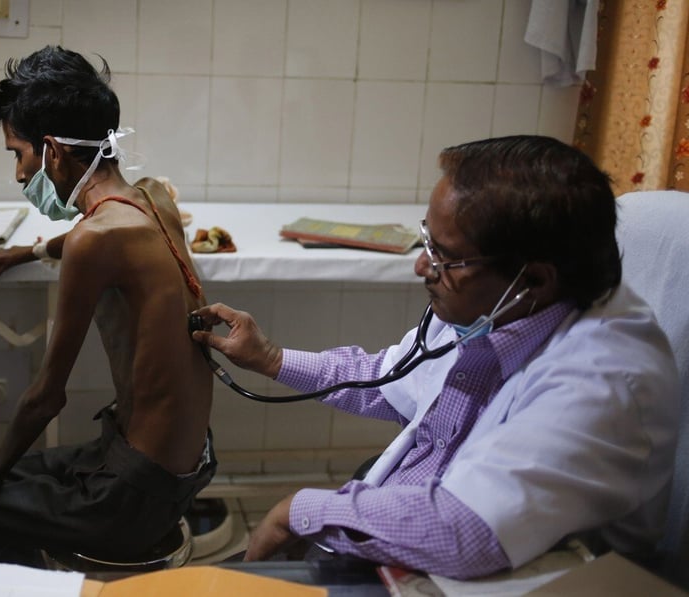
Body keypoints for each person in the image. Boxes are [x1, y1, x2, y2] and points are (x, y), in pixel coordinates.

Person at [191, 135, 679, 579]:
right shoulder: (495, 305)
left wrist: (301, 509)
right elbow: (386, 377)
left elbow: (464, 533)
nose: (422, 265)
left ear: (534, 278)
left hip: (482, 576)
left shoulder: (604, 381)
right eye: (427, 239)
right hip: (401, 536)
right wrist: (270, 357)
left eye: (445, 256)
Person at [0, 45, 216, 565]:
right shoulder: (153, 199)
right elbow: (95, 236)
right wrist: (23, 253)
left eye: (16, 153)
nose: (16, 174)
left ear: (50, 150)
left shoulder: (92, 242)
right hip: (184, 465)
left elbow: (45, 399)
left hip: (132, 497)